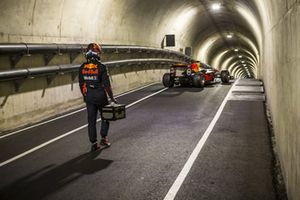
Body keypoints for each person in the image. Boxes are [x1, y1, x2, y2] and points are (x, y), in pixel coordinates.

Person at [78, 43, 117, 152]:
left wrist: (85, 96)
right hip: (100, 96)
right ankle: (104, 138)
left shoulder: (82, 67)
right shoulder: (102, 67)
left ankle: (93, 143)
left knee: (91, 121)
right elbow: (107, 85)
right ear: (96, 53)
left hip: (89, 96)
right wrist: (112, 98)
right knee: (106, 116)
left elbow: (81, 84)